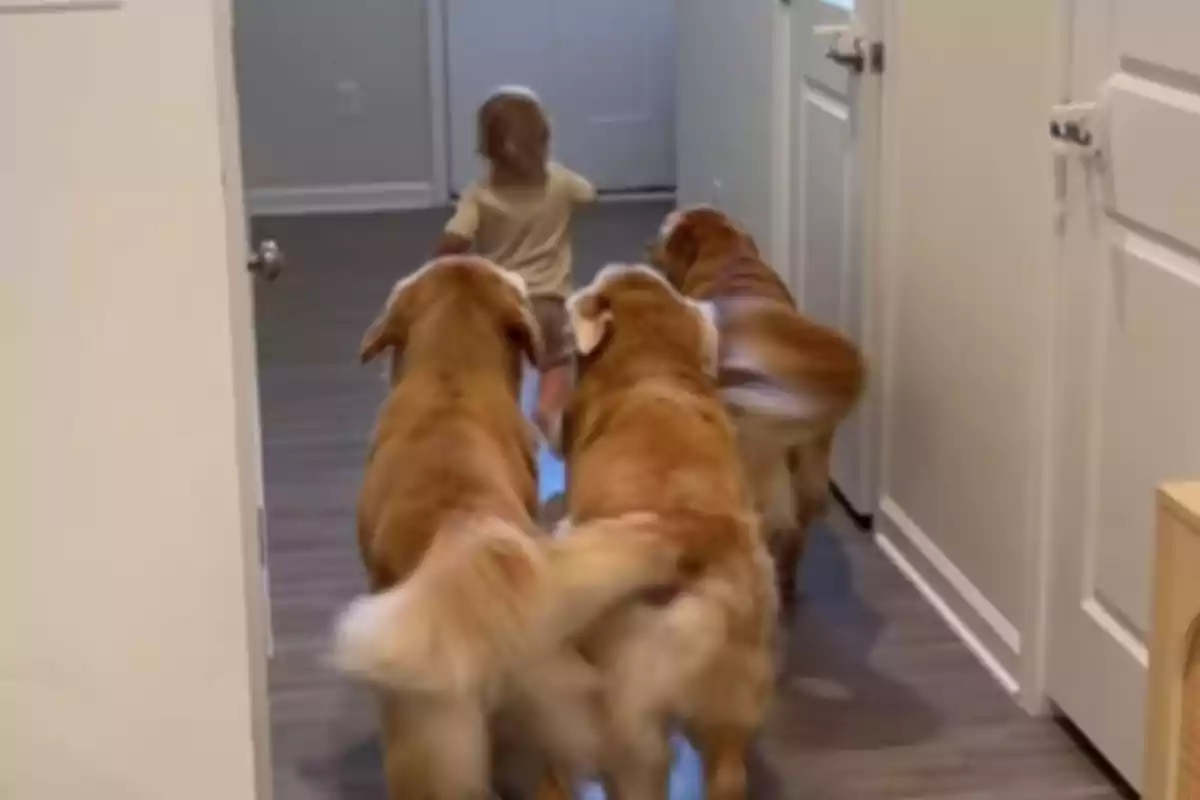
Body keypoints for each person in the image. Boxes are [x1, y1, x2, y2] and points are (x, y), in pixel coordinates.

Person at [436, 85, 596, 443]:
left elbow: (455, 241)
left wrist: (443, 265)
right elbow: (590, 194)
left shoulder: (479, 195)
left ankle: (503, 422)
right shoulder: (560, 182)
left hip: (501, 303)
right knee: (556, 361)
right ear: (544, 140)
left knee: (501, 366)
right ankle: (548, 410)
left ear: (487, 152)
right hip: (550, 302)